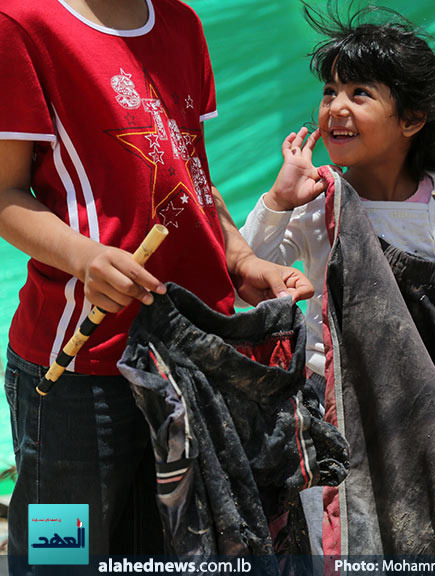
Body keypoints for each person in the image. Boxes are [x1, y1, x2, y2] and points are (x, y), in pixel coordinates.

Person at [0, 0, 312, 563]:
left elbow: (188, 170)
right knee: (61, 559)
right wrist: (85, 257)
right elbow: (4, 192)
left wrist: (240, 261)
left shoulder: (181, 23)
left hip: (193, 356)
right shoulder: (23, 24)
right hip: (80, 370)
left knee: (179, 555)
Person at [239, 6, 435, 555]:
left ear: (412, 118)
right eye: (330, 92)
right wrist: (277, 201)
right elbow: (245, 278)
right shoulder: (318, 205)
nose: (336, 108)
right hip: (334, 425)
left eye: (359, 93)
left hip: (428, 426)